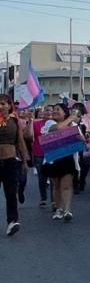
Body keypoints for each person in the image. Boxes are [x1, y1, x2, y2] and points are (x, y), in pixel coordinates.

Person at [42, 103, 84, 223]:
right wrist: (71, 118)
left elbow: (81, 142)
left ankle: (67, 210)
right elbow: (56, 129)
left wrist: (82, 138)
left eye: (58, 109)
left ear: (64, 112)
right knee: (56, 185)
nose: (54, 111)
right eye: (53, 109)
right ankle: (58, 208)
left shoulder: (74, 125)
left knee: (67, 185)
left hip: (68, 157)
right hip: (54, 158)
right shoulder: (50, 123)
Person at [1, 94, 30, 236]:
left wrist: (24, 161)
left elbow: (20, 141)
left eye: (3, 103)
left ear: (9, 105)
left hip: (10, 161)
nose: (0, 107)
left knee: (11, 194)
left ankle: (12, 222)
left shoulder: (15, 121)